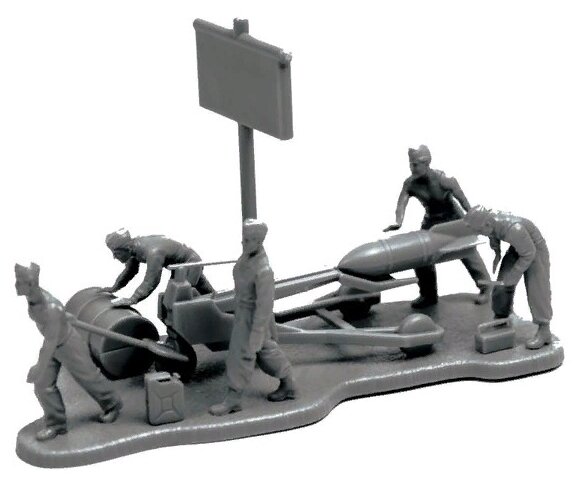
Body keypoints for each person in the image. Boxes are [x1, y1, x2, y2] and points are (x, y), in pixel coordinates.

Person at [16, 263, 123, 441]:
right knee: (43, 384)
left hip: (68, 344)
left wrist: (38, 367)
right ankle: (56, 425)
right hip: (54, 342)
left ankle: (112, 404)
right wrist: (65, 318)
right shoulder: (33, 298)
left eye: (19, 282)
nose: (16, 285)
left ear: (31, 284)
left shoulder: (51, 308)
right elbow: (54, 326)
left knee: (88, 377)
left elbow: (50, 342)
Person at [384, 145, 491, 308]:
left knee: (467, 252)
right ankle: (428, 294)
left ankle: (487, 288)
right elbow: (401, 203)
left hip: (453, 219)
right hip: (431, 222)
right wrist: (398, 222)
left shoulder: (443, 179)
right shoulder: (410, 183)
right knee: (421, 255)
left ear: (426, 163)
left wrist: (473, 218)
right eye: (411, 164)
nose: (412, 168)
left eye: (415, 164)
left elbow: (463, 201)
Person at [209, 219, 296, 416]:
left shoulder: (263, 270)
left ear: (259, 241)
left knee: (240, 356)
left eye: (248, 240)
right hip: (243, 313)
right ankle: (289, 384)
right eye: (243, 238)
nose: (243, 243)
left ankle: (233, 399)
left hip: (253, 318)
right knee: (267, 352)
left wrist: (257, 332)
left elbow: (264, 306)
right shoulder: (246, 259)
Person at [463, 206, 553, 349]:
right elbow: (492, 234)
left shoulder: (514, 229)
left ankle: (544, 330)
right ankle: (501, 319)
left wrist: (513, 275)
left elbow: (529, 254)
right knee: (501, 285)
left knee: (537, 290)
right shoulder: (490, 223)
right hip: (518, 247)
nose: (480, 234)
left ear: (487, 224)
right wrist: (497, 253)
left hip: (534, 250)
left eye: (480, 231)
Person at [103, 229, 214, 307]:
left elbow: (151, 281)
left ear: (126, 248)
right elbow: (130, 272)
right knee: (203, 290)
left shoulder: (153, 252)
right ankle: (221, 302)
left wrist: (133, 299)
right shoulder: (134, 249)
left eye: (116, 253)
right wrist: (114, 288)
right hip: (179, 267)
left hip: (190, 263)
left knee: (180, 298)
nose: (114, 257)